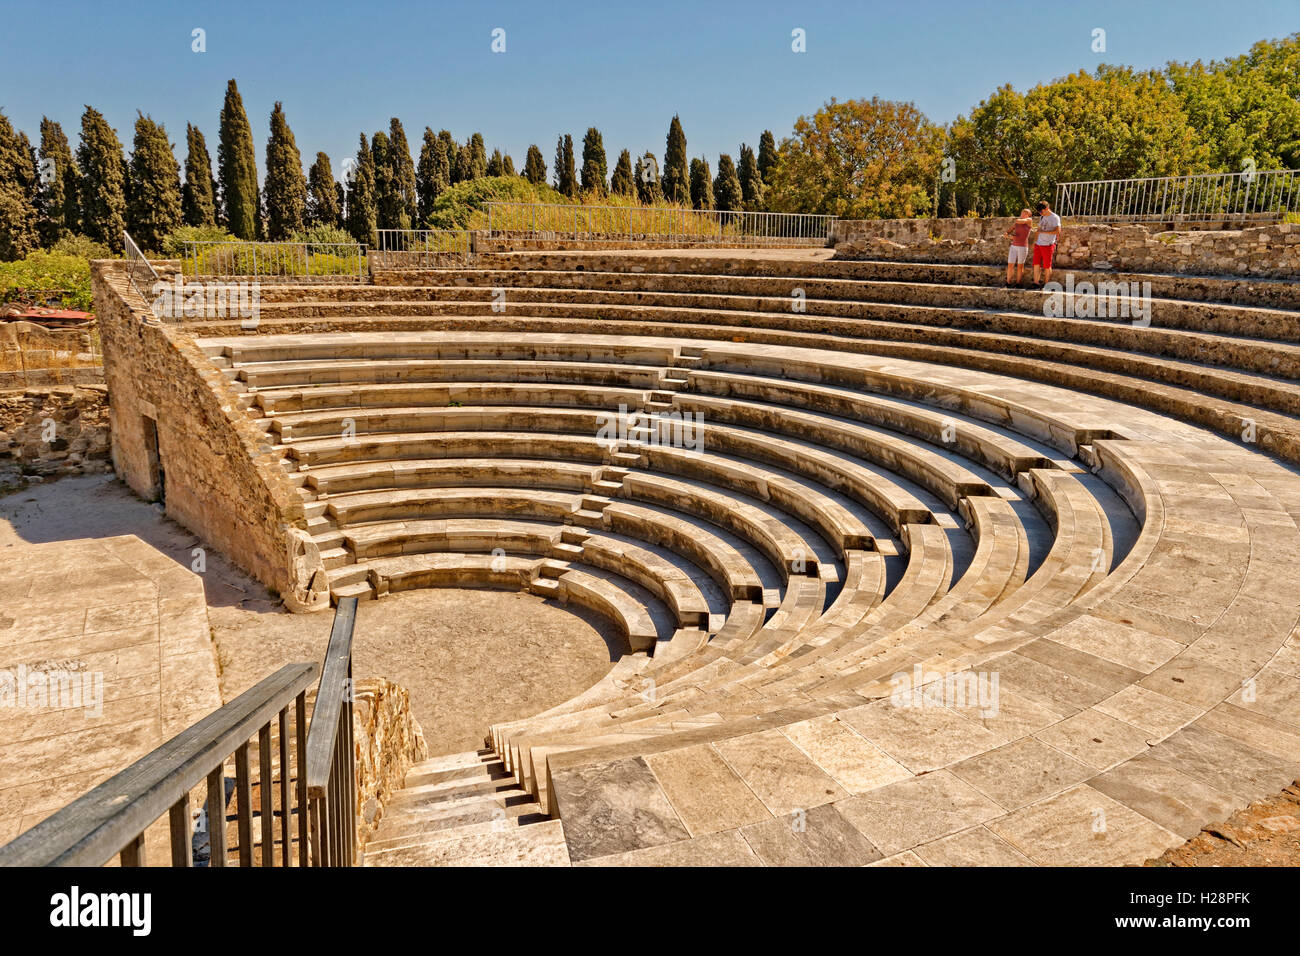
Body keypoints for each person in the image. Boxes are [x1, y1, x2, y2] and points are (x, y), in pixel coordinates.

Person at [1032, 199, 1061, 287]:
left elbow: (1058, 231)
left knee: (1047, 266)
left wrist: (1045, 232)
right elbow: (1038, 230)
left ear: (1047, 208)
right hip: (1039, 244)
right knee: (1036, 264)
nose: (1040, 213)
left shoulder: (1055, 217)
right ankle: (1035, 283)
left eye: (1042, 211)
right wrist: (1035, 241)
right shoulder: (1042, 217)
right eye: (1039, 212)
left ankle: (1046, 284)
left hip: (1048, 245)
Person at [1003, 208, 1032, 287]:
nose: (1023, 214)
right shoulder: (1017, 223)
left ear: (1029, 215)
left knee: (1020, 266)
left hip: (1023, 247)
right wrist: (1006, 233)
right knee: (1010, 265)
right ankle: (1008, 283)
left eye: (1025, 213)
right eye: (1022, 212)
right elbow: (1010, 230)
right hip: (1013, 246)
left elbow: (1018, 221)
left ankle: (1018, 283)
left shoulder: (1029, 220)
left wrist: (1011, 236)